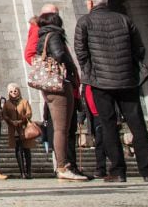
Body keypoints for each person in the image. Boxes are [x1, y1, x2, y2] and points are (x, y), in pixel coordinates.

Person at [74, 0, 148, 183]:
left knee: (108, 125)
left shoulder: (84, 22)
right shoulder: (124, 19)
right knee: (137, 124)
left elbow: (81, 52)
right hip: (127, 80)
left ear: (90, 3)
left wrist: (91, 72)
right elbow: (139, 48)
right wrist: (128, 67)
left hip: (100, 82)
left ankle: (118, 171)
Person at [36, 11, 87, 181]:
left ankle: (63, 165)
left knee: (60, 127)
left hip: (48, 87)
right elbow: (59, 54)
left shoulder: (42, 36)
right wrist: (71, 66)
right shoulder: (54, 35)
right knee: (61, 128)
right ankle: (62, 166)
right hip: (59, 84)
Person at [1, 83, 36, 178]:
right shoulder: (7, 104)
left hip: (24, 129)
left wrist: (22, 120)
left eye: (15, 91)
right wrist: (11, 121)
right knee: (18, 150)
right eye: (11, 91)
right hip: (14, 129)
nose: (13, 93)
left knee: (26, 150)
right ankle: (22, 172)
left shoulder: (24, 101)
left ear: (18, 91)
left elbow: (29, 113)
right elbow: (4, 115)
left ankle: (29, 171)